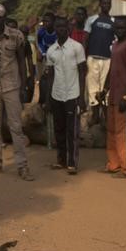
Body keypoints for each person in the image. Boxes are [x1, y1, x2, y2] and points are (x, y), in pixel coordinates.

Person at [0, 3, 35, 181]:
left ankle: (22, 166)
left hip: (12, 86)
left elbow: (22, 61)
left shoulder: (16, 36)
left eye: (0, 17)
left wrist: (24, 86)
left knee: (16, 127)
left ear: (4, 18)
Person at [43, 16, 87, 173]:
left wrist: (82, 97)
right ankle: (61, 160)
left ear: (68, 28)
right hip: (57, 95)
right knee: (59, 130)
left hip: (73, 94)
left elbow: (83, 72)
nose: (61, 29)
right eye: (58, 27)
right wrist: (47, 99)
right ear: (54, 29)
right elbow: (50, 76)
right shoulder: (51, 51)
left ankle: (72, 163)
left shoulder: (77, 47)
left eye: (63, 26)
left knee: (72, 131)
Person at [101, 19, 126, 177]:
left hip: (125, 98)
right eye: (117, 27)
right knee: (112, 131)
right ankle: (114, 163)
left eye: (123, 27)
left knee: (125, 133)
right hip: (113, 96)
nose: (119, 30)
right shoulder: (115, 45)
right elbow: (112, 68)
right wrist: (105, 88)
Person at [85, 0, 116, 108]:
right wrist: (84, 57)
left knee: (104, 88)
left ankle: (105, 113)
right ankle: (94, 113)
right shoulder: (91, 19)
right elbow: (86, 39)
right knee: (92, 89)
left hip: (107, 58)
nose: (106, 5)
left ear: (111, 5)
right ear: (100, 4)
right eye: (104, 3)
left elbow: (115, 41)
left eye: (108, 3)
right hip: (92, 57)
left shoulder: (114, 22)